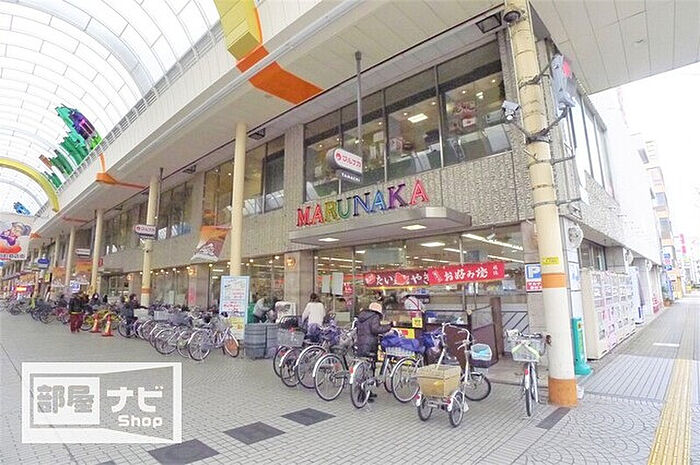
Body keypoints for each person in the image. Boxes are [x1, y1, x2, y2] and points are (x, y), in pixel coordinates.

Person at [355, 301, 393, 402]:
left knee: (365, 369)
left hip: (361, 344)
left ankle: (368, 392)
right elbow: (376, 329)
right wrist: (389, 327)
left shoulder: (362, 316)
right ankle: (363, 396)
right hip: (370, 345)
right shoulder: (374, 316)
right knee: (370, 369)